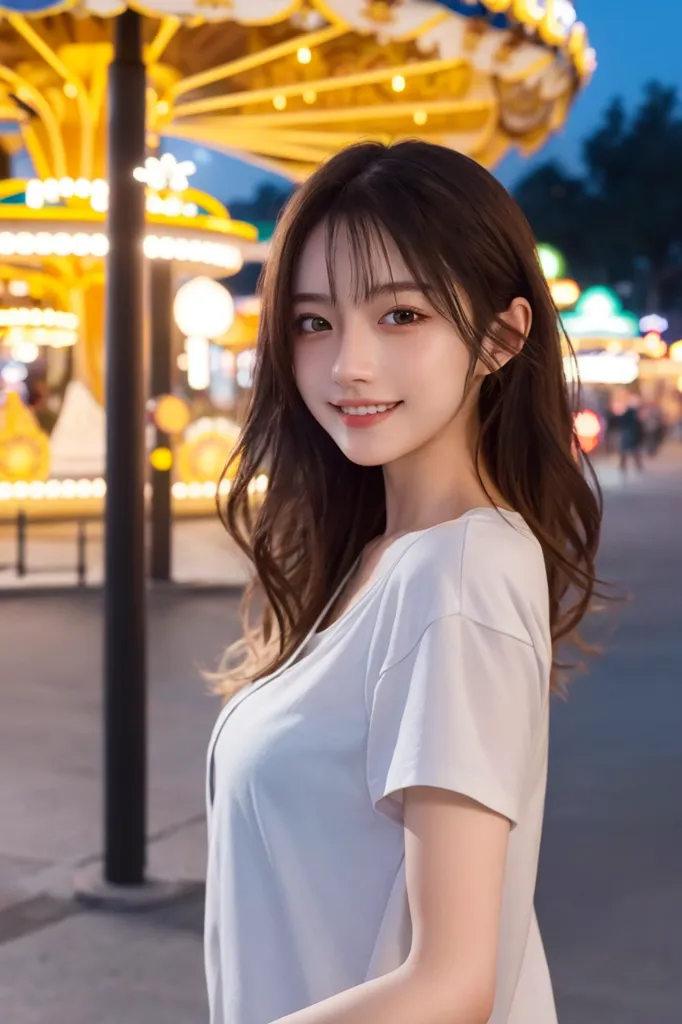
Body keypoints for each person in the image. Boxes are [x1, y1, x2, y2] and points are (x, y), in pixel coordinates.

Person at [204, 140, 603, 1024]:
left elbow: (452, 985)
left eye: (401, 316)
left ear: (501, 337)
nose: (348, 363)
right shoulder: (384, 556)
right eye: (314, 322)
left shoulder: (457, 574)